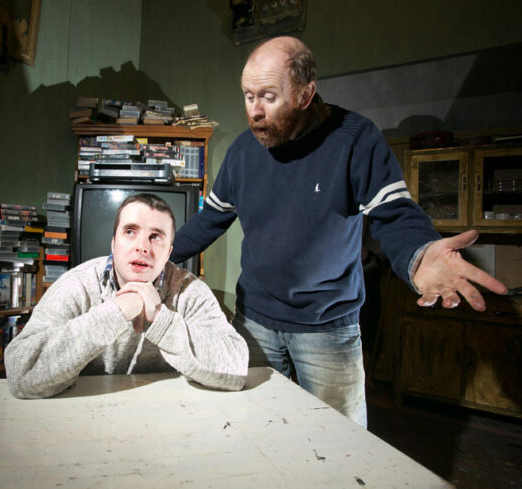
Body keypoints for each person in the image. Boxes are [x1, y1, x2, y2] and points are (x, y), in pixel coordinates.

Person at [170, 36, 508, 427]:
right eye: (248, 96)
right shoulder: (244, 153)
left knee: (342, 446)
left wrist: (418, 255)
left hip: (327, 328)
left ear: (305, 94)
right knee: (253, 431)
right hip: (255, 322)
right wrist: (153, 257)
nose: (255, 112)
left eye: (268, 96)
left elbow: (394, 214)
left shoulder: (355, 139)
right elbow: (208, 220)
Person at [5, 193, 249, 399]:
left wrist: (161, 320)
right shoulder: (76, 284)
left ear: (169, 253)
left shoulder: (190, 291)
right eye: (130, 231)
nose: (142, 246)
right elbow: (21, 373)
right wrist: (115, 313)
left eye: (156, 236)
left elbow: (236, 370)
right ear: (113, 244)